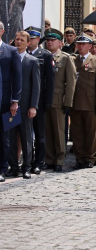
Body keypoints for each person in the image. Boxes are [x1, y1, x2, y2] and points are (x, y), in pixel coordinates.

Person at [43, 29, 76, 172]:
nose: (49, 42)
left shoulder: (65, 58)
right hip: (44, 99)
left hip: (58, 99)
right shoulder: (43, 56)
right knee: (47, 131)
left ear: (60, 43)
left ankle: (59, 159)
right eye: (48, 40)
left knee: (58, 131)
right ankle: (49, 158)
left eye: (52, 40)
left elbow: (71, 82)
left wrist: (68, 102)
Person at [7, 30, 38, 179]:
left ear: (28, 43)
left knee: (26, 138)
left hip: (26, 106)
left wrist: (33, 106)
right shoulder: (8, 58)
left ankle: (27, 166)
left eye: (21, 40)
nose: (18, 42)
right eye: (17, 39)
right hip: (10, 106)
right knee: (11, 138)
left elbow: (36, 86)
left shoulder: (31, 61)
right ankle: (13, 167)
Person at [71, 34, 96, 169]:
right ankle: (79, 158)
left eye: (83, 44)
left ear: (90, 46)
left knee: (91, 132)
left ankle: (90, 158)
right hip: (75, 102)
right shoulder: (73, 60)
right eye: (78, 44)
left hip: (90, 102)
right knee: (77, 132)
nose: (80, 46)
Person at [25, 26, 54, 173]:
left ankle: (39, 161)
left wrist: (49, 100)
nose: (30, 41)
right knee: (24, 134)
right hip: (24, 100)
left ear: (38, 40)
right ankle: (26, 162)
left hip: (39, 101)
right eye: (28, 38)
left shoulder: (46, 55)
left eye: (32, 38)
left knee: (40, 134)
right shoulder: (20, 54)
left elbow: (50, 80)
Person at [0, 21, 21, 181]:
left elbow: (17, 77)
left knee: (4, 136)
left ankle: (2, 168)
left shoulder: (11, 51)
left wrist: (15, 100)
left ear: (2, 31)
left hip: (5, 101)